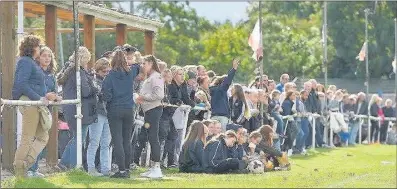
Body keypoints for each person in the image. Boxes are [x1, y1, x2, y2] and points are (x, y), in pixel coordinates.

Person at [12, 35, 61, 177]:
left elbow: (36, 85)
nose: (40, 49)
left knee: (43, 136)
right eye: (39, 46)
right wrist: (39, 98)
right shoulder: (25, 62)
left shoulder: (30, 62)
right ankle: (20, 171)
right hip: (30, 102)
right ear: (33, 47)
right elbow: (21, 84)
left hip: (36, 102)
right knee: (27, 138)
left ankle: (24, 165)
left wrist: (47, 96)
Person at [57, 46, 97, 170]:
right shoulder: (77, 71)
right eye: (87, 60)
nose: (87, 63)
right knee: (79, 138)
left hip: (70, 107)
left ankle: (64, 163)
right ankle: (73, 166)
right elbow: (85, 91)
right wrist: (95, 88)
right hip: (78, 108)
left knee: (76, 137)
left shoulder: (68, 69)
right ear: (84, 58)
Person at [102, 49, 140, 178]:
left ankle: (122, 170)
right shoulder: (131, 72)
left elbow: (106, 95)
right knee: (126, 140)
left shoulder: (109, 76)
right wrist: (129, 59)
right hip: (129, 109)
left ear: (112, 61)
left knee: (117, 140)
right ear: (125, 60)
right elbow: (138, 64)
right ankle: (127, 169)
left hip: (115, 109)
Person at [27, 45, 60, 177]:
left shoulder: (52, 75)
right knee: (34, 139)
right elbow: (33, 90)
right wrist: (46, 95)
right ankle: (29, 168)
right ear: (38, 57)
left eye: (49, 56)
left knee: (42, 139)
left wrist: (56, 96)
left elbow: (54, 91)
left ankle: (34, 169)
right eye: (44, 55)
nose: (47, 58)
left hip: (47, 111)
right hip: (35, 109)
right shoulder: (34, 72)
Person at [135, 55, 165, 178]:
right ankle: (153, 167)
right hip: (149, 110)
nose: (142, 66)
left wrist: (143, 97)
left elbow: (159, 94)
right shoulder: (150, 77)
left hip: (154, 110)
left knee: (153, 137)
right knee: (151, 137)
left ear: (151, 63)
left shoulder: (156, 77)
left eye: (144, 63)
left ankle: (157, 168)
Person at [164, 66, 195, 168]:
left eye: (183, 74)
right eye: (180, 74)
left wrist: (193, 103)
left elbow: (186, 99)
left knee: (175, 137)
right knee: (170, 137)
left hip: (179, 114)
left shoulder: (183, 85)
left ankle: (173, 161)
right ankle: (166, 161)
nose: (183, 77)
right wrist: (178, 101)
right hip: (168, 113)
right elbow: (170, 99)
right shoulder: (170, 85)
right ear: (174, 75)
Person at [85, 58, 112, 177]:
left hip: (108, 114)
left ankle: (105, 169)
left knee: (106, 143)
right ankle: (91, 168)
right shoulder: (93, 79)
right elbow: (99, 95)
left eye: (108, 71)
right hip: (98, 113)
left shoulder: (109, 80)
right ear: (98, 70)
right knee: (94, 142)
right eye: (104, 72)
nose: (106, 74)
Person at [210, 58, 240, 131]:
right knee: (222, 136)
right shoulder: (221, 89)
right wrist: (234, 69)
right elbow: (228, 80)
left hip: (213, 117)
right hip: (222, 117)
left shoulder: (212, 89)